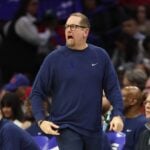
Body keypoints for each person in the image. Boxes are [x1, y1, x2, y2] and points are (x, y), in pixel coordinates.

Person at [30, 12, 124, 150]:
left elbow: (113, 90)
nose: (68, 29)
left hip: (94, 128)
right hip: (66, 127)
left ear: (85, 31)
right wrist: (41, 120)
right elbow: (37, 93)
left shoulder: (100, 55)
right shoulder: (54, 59)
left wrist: (118, 115)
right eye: (67, 26)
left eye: (73, 26)